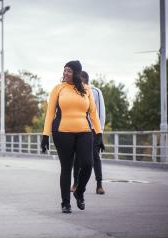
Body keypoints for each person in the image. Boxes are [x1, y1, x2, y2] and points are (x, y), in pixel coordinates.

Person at [41, 60, 105, 214]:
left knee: (88, 164)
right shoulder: (58, 88)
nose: (65, 73)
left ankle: (79, 191)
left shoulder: (86, 89)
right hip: (62, 132)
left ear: (76, 73)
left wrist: (99, 133)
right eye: (64, 70)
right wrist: (45, 135)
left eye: (69, 71)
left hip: (84, 131)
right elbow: (50, 113)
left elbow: (93, 113)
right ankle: (65, 203)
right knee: (66, 168)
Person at [71, 71, 106, 195]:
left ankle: (99, 184)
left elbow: (100, 113)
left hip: (93, 130)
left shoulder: (96, 92)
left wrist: (99, 132)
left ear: (85, 80)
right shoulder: (74, 90)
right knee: (77, 158)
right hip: (79, 128)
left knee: (95, 157)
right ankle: (75, 183)